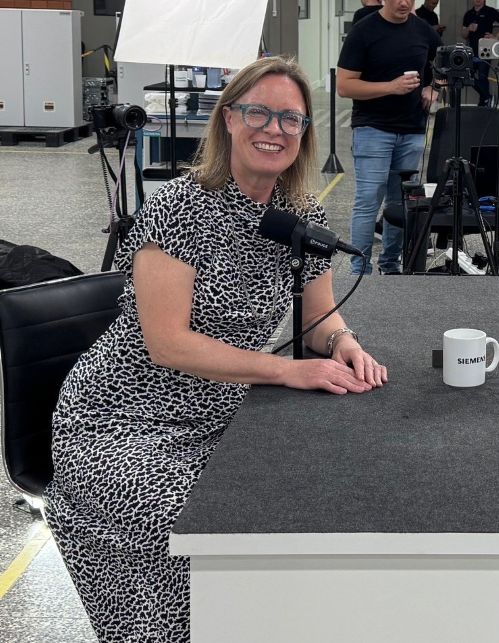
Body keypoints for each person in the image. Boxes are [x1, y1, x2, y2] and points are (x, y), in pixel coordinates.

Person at [42, 56, 388, 642]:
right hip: (121, 421)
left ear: (304, 134)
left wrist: (342, 341)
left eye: (290, 119)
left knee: (294, 512)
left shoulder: (300, 215)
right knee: (208, 540)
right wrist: (287, 371)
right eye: (258, 112)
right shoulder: (179, 206)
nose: (273, 129)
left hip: (221, 413)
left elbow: (318, 312)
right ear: (227, 119)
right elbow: (167, 341)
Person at [337, 0, 441, 275]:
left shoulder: (422, 31)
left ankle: (391, 265)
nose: (404, 3)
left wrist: (433, 88)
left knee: (401, 204)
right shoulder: (363, 31)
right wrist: (391, 87)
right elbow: (345, 86)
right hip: (373, 129)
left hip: (412, 131)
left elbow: (442, 63)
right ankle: (360, 270)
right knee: (368, 200)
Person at [461, 0, 499, 107]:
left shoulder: (490, 11)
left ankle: (484, 102)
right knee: (468, 76)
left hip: (485, 49)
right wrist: (468, 29)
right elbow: (463, 34)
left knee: (483, 77)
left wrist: (496, 37)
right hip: (471, 50)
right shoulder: (468, 14)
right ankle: (487, 97)